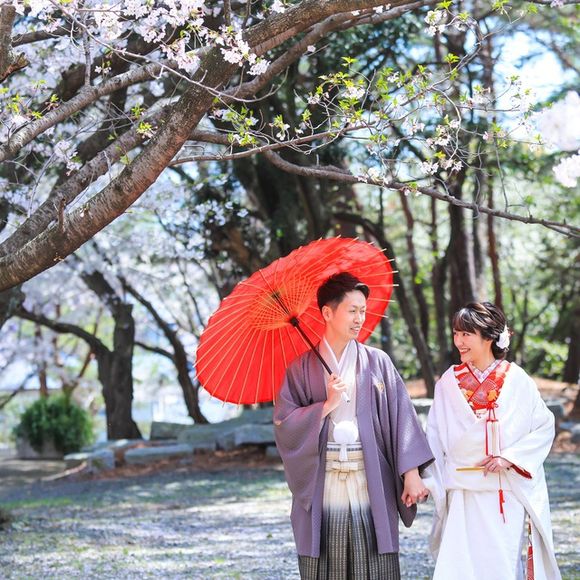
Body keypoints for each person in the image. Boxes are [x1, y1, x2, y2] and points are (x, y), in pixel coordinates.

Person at [274, 272, 433, 579]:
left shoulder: (377, 362)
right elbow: (284, 424)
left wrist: (412, 473)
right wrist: (326, 405)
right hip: (325, 479)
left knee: (372, 561)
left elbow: (402, 416)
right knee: (327, 561)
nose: (360, 318)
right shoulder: (300, 369)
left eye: (363, 311)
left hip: (369, 474)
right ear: (327, 312)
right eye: (352, 311)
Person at [422, 302, 561, 580]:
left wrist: (510, 457)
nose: (459, 341)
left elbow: (544, 426)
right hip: (461, 488)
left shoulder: (518, 380)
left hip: (503, 491)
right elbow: (434, 435)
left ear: (488, 337)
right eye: (456, 333)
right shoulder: (448, 382)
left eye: (466, 334)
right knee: (458, 565)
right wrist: (427, 480)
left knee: (500, 565)